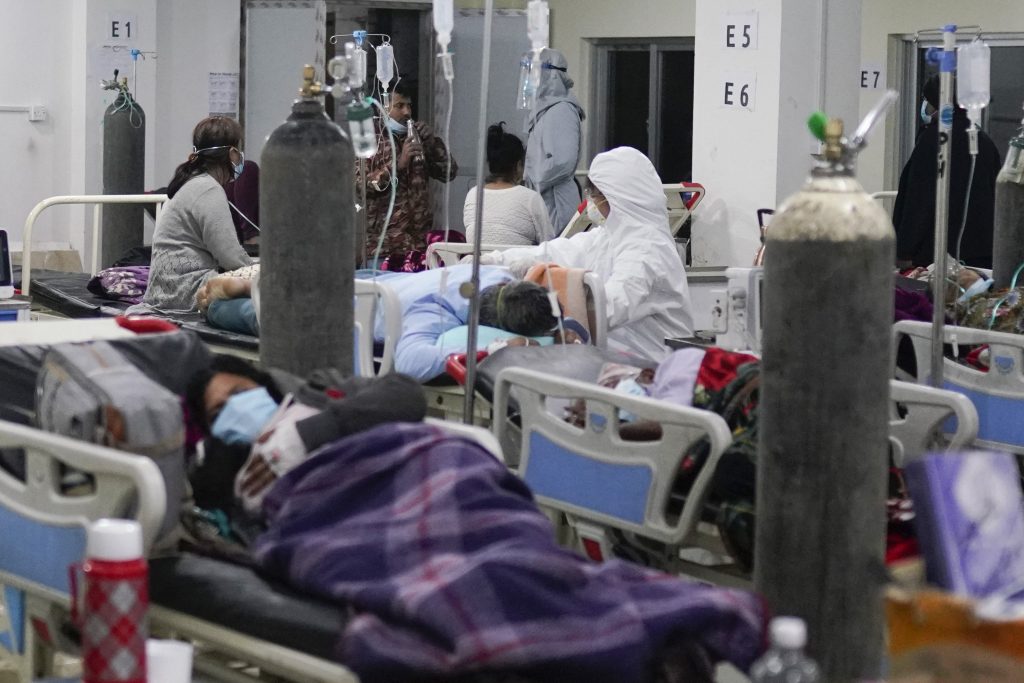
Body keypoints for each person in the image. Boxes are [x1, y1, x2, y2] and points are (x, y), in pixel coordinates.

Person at [480, 146, 694, 363]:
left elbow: (609, 307)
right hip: (617, 361)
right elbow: (556, 252)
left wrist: (544, 311)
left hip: (651, 369)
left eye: (595, 194)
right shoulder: (610, 236)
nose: (591, 202)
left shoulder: (648, 250)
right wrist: (495, 261)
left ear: (615, 197)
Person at [185, 354, 426, 514]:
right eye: (219, 414)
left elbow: (407, 395)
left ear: (262, 386)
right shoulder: (228, 477)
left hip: (408, 486)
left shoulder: (322, 389)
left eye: (240, 393)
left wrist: (305, 436)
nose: (236, 409)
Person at [129, 117, 253, 314]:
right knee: (270, 279)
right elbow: (230, 256)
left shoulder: (191, 182)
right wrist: (257, 268)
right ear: (232, 153)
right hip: (189, 290)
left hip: (164, 290)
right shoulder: (208, 189)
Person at [893, 74, 1001, 269]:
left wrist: (903, 249)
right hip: (983, 252)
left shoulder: (935, 140)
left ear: (937, 102)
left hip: (937, 253)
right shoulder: (983, 141)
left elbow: (919, 199)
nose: (925, 106)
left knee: (941, 298)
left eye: (927, 100)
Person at [360, 89, 458, 268]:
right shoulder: (369, 142)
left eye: (409, 106)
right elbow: (361, 187)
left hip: (418, 245)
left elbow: (449, 173)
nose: (407, 112)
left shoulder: (417, 138)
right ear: (382, 108)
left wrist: (432, 145)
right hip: (383, 247)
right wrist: (398, 165)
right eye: (399, 106)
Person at [523, 48, 585, 233]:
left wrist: (533, 176)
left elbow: (563, 161)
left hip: (557, 202)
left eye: (534, 73)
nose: (529, 81)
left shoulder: (562, 110)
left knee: (556, 252)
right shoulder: (546, 110)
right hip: (543, 197)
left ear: (551, 75)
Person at [463, 122, 554, 245]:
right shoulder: (530, 198)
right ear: (518, 166)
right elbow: (548, 244)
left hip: (478, 263)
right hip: (515, 264)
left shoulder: (473, 194)